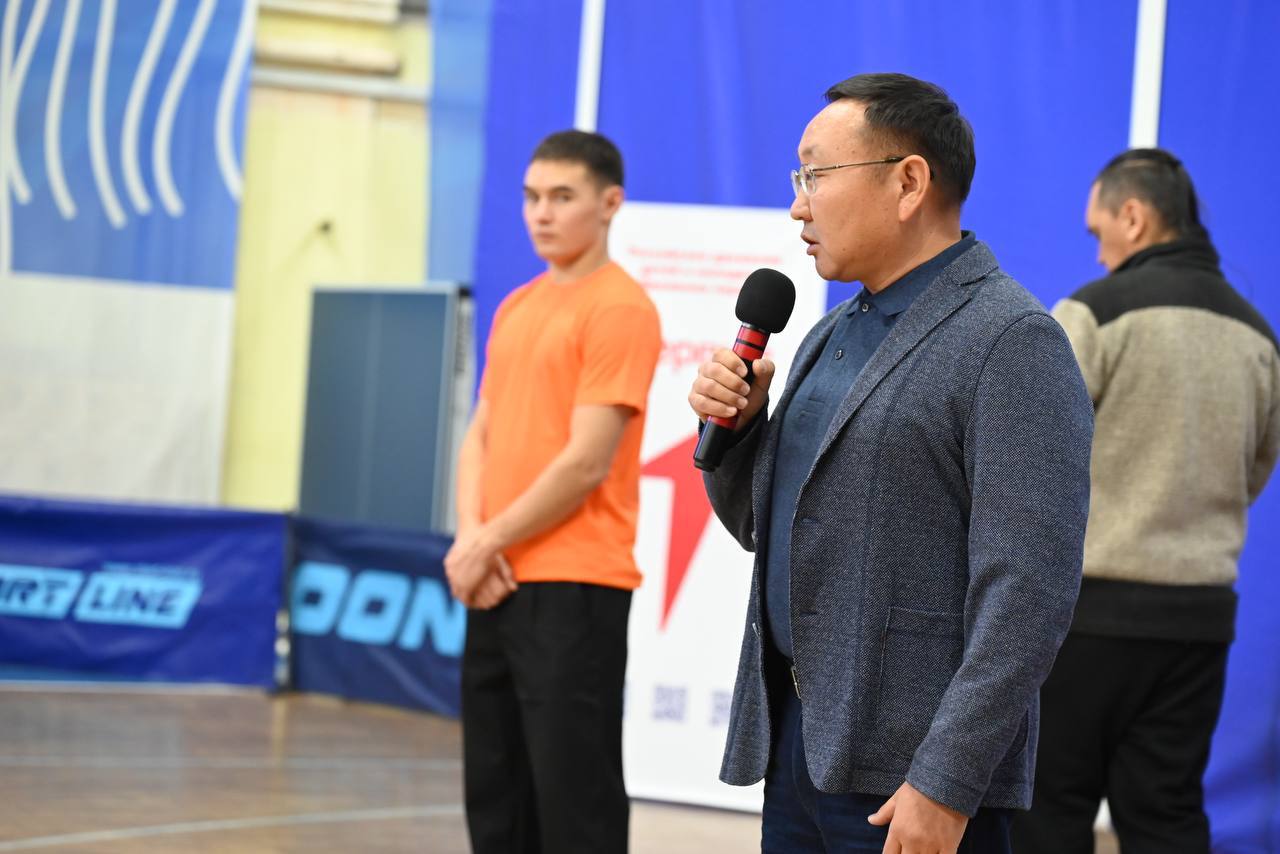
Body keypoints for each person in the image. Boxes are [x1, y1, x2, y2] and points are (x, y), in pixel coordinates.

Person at [686, 72, 1094, 853]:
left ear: (908, 182)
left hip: (912, 777)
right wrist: (737, 435)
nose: (798, 206)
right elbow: (766, 529)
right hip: (799, 745)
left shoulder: (1011, 340)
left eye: (815, 176)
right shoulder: (828, 334)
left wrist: (947, 779)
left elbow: (1030, 591)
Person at [1011, 149, 1280, 853]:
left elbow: (1031, 456)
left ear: (1132, 217)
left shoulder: (1093, 313)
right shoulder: (1257, 335)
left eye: (1098, 232)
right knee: (1167, 814)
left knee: (1047, 813)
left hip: (1085, 618)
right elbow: (1254, 471)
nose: (1098, 254)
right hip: (1199, 620)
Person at [445, 130, 661, 854]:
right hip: (496, 577)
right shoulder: (516, 306)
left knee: (574, 803)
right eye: (532, 197)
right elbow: (480, 432)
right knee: (495, 793)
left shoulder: (619, 308)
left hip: (574, 584)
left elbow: (585, 462)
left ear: (609, 203)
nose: (541, 213)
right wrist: (470, 540)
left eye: (562, 197)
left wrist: (484, 542)